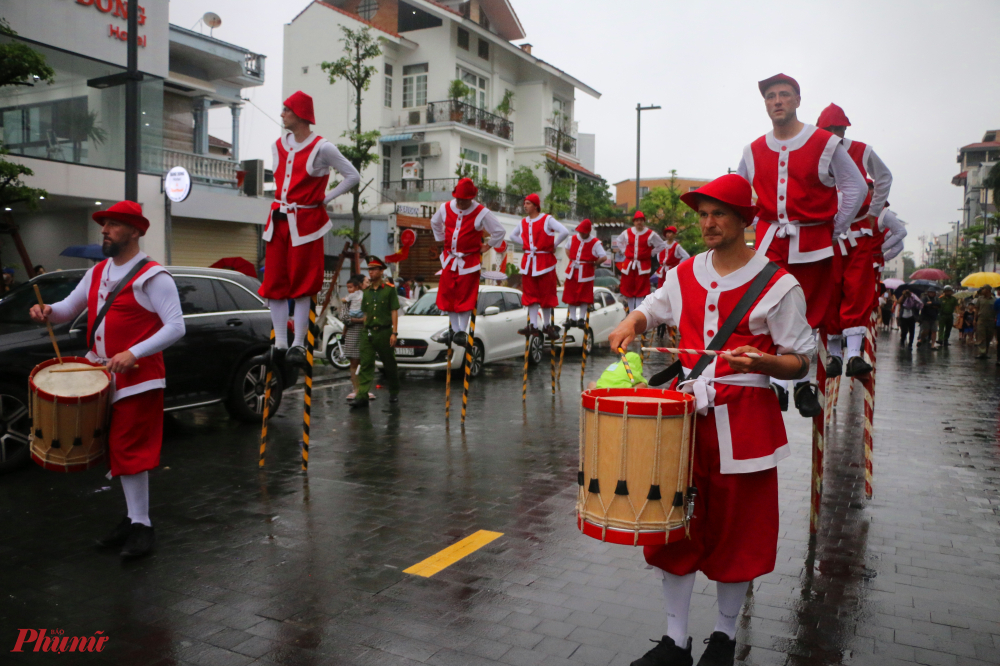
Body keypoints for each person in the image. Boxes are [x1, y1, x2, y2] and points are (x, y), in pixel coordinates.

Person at [608, 175, 813, 666]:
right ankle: (675, 641)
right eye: (702, 214)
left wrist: (764, 363)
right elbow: (651, 311)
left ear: (745, 219)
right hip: (685, 422)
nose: (708, 223)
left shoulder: (778, 283)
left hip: (746, 425)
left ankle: (722, 639)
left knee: (736, 533)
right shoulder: (684, 272)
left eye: (718, 213)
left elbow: (802, 359)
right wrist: (628, 323)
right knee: (674, 526)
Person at [29, 201, 185, 559]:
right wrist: (47, 312)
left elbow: (177, 325)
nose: (104, 230)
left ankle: (142, 527)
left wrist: (135, 352)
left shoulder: (153, 276)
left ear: (134, 231)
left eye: (114, 224)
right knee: (116, 448)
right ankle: (134, 520)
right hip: (100, 374)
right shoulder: (98, 271)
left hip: (138, 377)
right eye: (104, 224)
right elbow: (68, 308)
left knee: (129, 447)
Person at [737, 73, 866, 418]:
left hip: (812, 242)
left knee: (807, 314)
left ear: (796, 100)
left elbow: (856, 188)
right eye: (770, 96)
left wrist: (833, 228)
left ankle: (802, 383)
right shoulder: (752, 149)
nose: (777, 101)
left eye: (784, 94)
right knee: (767, 311)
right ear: (765, 104)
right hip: (768, 241)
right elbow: (738, 195)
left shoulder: (824, 142)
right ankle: (778, 384)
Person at [258, 91, 360, 368]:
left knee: (302, 285)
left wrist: (325, 199)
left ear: (301, 114)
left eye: (286, 110)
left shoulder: (322, 147)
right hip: (277, 220)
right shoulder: (277, 145)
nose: (282, 115)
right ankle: (281, 342)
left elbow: (353, 176)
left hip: (305, 223)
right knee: (275, 282)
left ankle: (298, 344)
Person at [431, 177, 507, 347]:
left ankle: (461, 331)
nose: (460, 203)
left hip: (469, 260)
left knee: (465, 296)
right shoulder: (445, 207)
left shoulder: (482, 212)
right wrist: (442, 239)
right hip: (450, 258)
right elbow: (434, 222)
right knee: (447, 293)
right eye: (458, 199)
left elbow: (499, 231)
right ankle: (454, 330)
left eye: (464, 200)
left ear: (471, 199)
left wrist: (488, 246)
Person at [509, 193, 569, 340]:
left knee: (546, 293)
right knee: (530, 293)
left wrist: (552, 245)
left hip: (544, 261)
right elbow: (512, 236)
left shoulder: (546, 219)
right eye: (525, 203)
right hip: (529, 260)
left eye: (528, 203)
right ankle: (534, 325)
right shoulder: (523, 222)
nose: (525, 205)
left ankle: (547, 324)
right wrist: (526, 245)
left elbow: (565, 232)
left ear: (536, 206)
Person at [350, 257, 400, 407]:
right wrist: (366, 329)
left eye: (374, 269)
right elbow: (365, 313)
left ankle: (394, 391)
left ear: (381, 271)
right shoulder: (367, 292)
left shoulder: (389, 290)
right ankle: (362, 395)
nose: (371, 272)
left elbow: (394, 311)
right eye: (369, 270)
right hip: (369, 332)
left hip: (385, 332)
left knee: (389, 364)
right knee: (365, 363)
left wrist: (394, 333)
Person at [615, 211, 667, 313]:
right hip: (629, 265)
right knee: (629, 288)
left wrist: (651, 253)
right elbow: (618, 241)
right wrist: (624, 250)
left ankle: (638, 312)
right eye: (637, 220)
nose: (639, 222)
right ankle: (631, 311)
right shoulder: (627, 232)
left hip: (643, 265)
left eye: (641, 220)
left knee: (640, 289)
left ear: (644, 221)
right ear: (634, 222)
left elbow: (661, 245)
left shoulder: (650, 234)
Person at [562, 218, 607, 329]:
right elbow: (567, 249)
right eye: (580, 231)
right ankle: (572, 318)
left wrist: (594, 263)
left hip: (586, 271)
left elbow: (603, 256)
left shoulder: (595, 242)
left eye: (584, 232)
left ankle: (581, 318)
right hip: (572, 270)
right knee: (570, 295)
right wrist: (572, 259)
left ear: (588, 232)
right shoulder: (572, 239)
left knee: (584, 296)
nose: (581, 234)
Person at [341, 275, 373, 401]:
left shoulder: (372, 296)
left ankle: (365, 389)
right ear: (359, 284)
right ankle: (356, 389)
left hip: (368, 332)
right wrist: (360, 320)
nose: (368, 283)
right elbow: (344, 317)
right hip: (353, 332)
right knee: (354, 362)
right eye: (366, 282)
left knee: (366, 362)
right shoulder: (350, 299)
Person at [974, 287, 996, 359]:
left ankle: (986, 352)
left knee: (989, 336)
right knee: (981, 336)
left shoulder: (994, 300)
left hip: (991, 320)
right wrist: (975, 319)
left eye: (983, 289)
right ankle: (982, 352)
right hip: (981, 320)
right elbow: (976, 310)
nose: (981, 291)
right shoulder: (980, 299)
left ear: (987, 290)